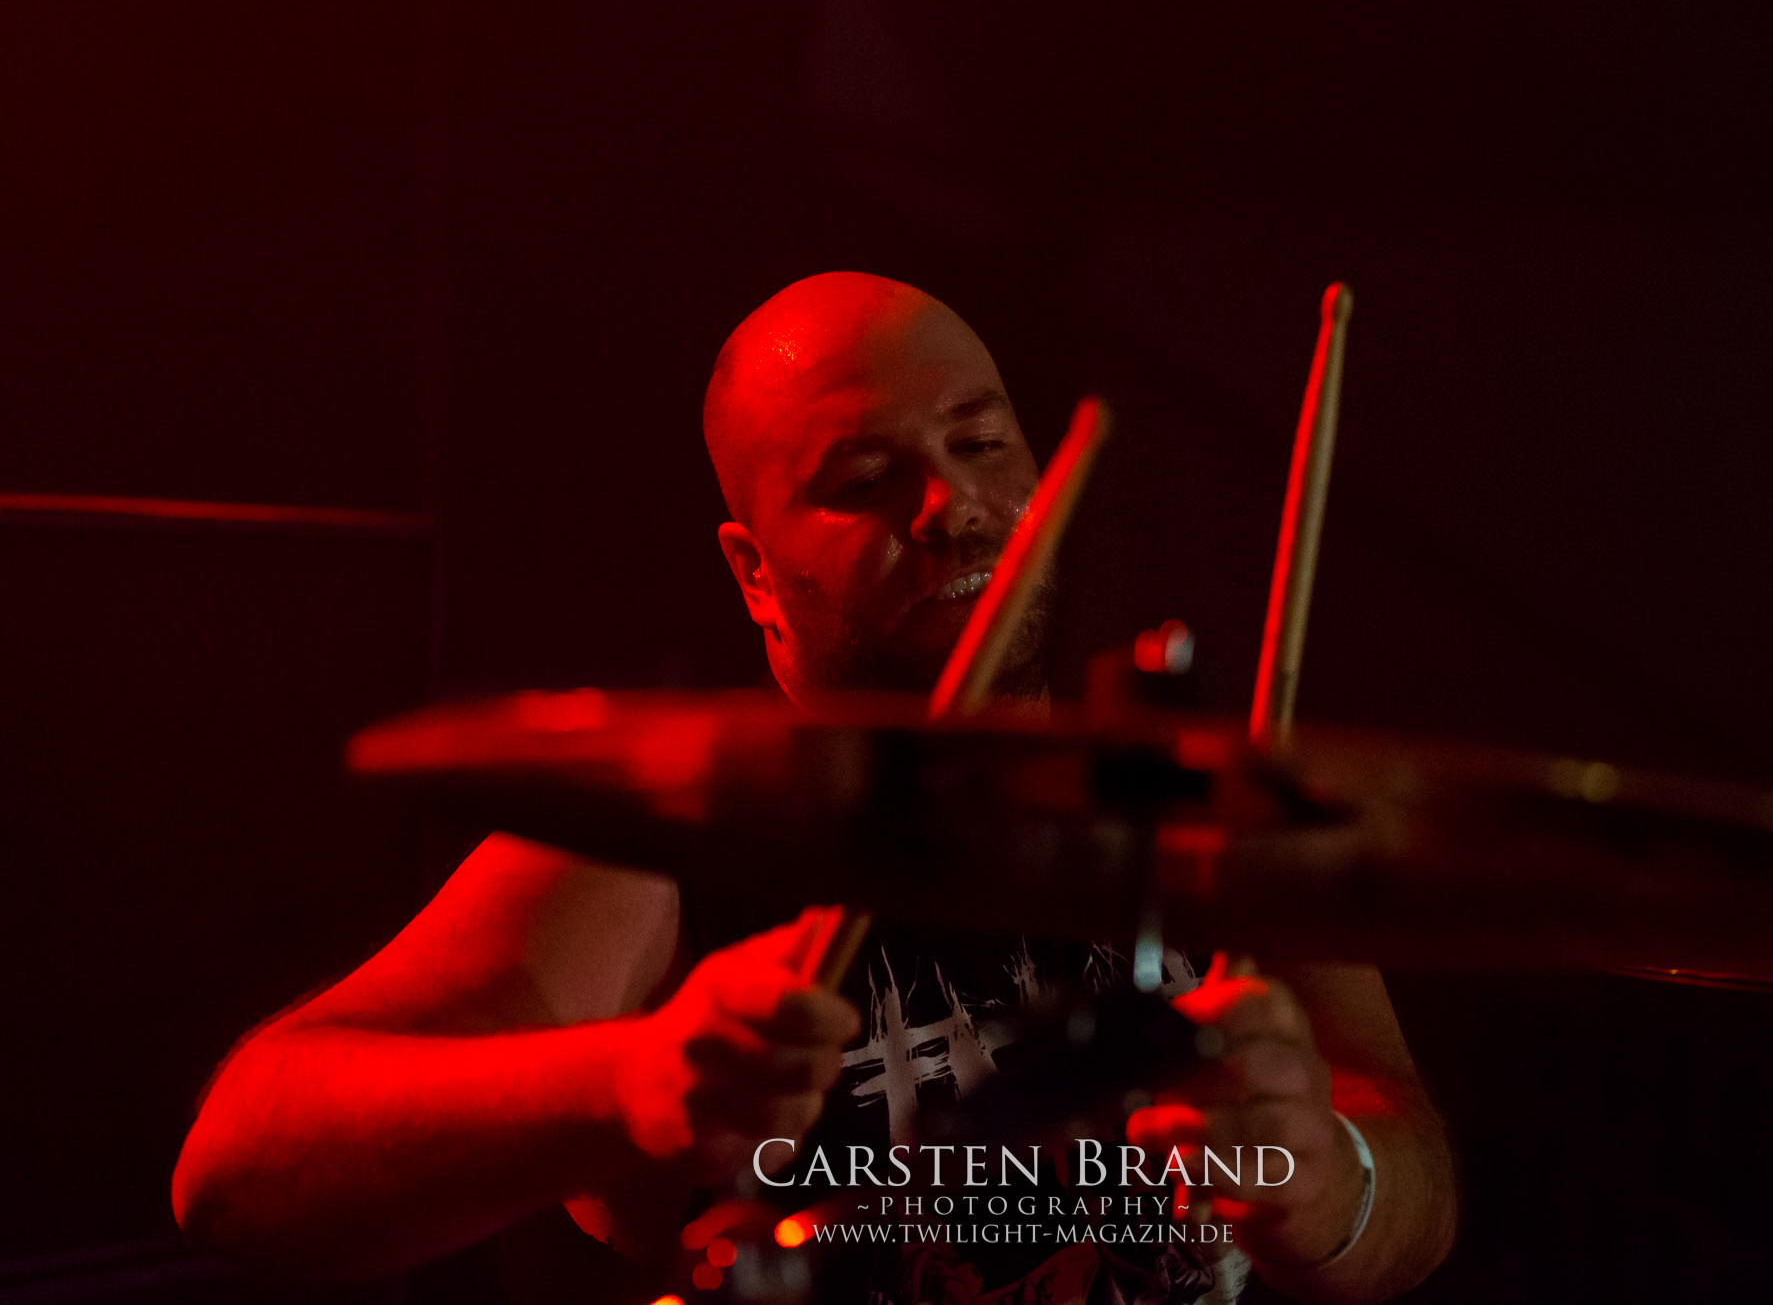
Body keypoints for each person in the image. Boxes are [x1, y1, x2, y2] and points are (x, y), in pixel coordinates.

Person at [172, 272, 1458, 1303]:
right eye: (862, 480)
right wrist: (624, 1079)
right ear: (752, 572)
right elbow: (238, 1166)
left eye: (981, 441)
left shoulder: (1208, 807)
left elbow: (1410, 1177)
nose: (952, 504)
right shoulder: (675, 832)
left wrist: (1328, 1182)